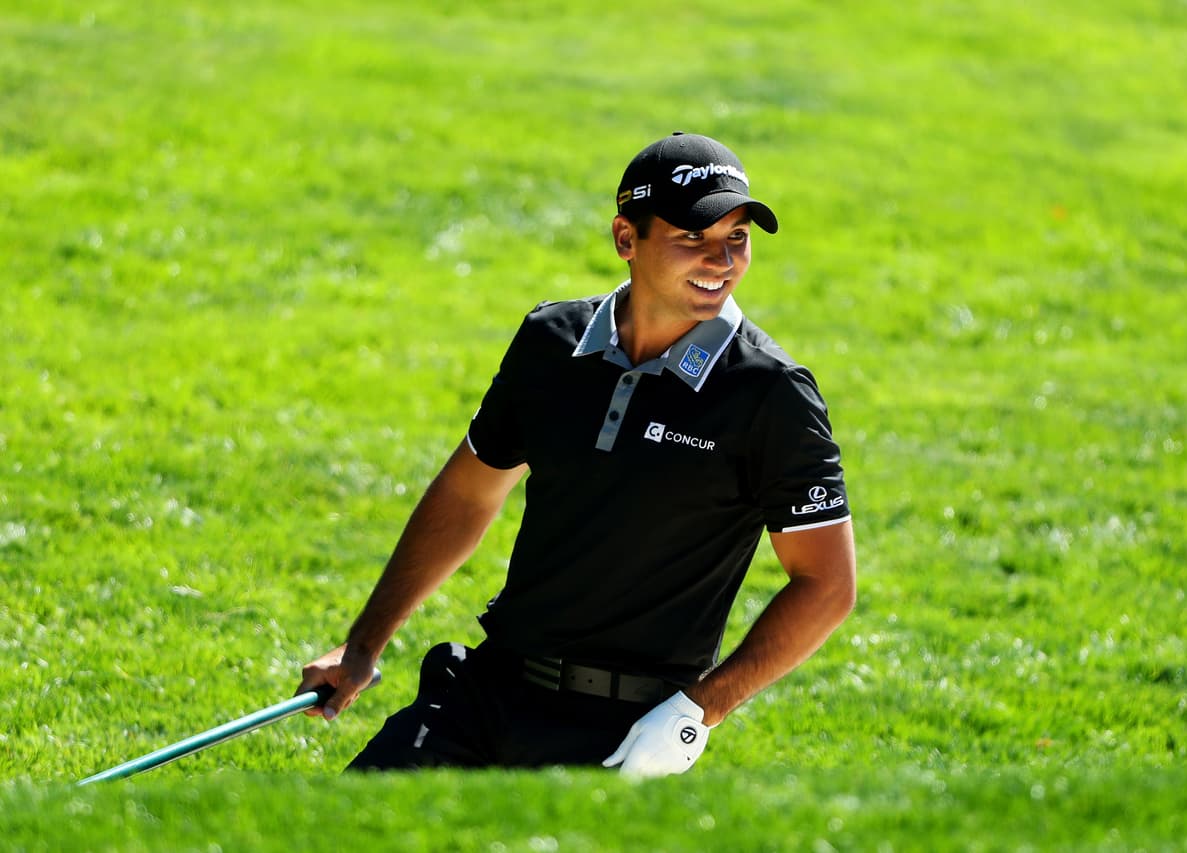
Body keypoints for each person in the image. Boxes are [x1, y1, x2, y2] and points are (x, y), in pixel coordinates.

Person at [296, 132, 856, 778]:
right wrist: (364, 642)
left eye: (737, 238)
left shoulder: (770, 393)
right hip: (488, 690)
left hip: (623, 734)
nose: (721, 260)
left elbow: (827, 584)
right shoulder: (550, 342)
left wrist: (697, 712)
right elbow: (467, 494)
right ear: (626, 239)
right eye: (692, 238)